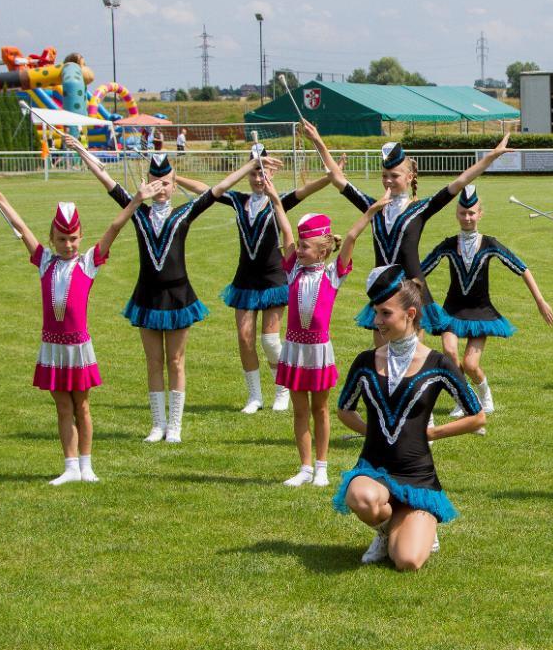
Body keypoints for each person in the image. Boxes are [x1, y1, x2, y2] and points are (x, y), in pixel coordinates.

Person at [67, 134, 258, 443]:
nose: (161, 188)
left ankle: (175, 425)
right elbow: (108, 181)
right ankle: (157, 424)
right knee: (154, 362)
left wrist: (251, 163)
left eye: (166, 183)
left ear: (173, 183)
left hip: (178, 296)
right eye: (156, 183)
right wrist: (81, 151)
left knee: (176, 361)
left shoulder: (184, 212)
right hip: (147, 296)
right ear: (147, 182)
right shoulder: (138, 211)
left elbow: (219, 188)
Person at [0, 182, 141, 484]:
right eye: (62, 239)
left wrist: (136, 201)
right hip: (52, 348)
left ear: (81, 237)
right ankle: (70, 467)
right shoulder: (44, 262)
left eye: (73, 239)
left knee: (83, 406)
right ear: (52, 239)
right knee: (63, 407)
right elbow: (21, 227)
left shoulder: (88, 263)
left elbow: (115, 227)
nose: (68, 245)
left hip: (78, 348)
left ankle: (87, 466)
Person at [299, 121, 514, 344]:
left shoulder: (420, 209)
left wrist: (491, 156)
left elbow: (460, 181)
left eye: (394, 175)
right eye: (384, 175)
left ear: (409, 177)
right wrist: (318, 141)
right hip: (382, 290)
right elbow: (337, 179)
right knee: (381, 355)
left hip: (413, 292)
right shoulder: (374, 208)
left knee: (412, 358)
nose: (388, 180)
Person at [335, 266, 486, 570]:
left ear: (410, 314)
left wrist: (432, 433)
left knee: (407, 561)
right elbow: (344, 409)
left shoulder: (438, 363)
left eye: (385, 314)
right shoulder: (365, 362)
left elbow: (477, 417)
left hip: (417, 477)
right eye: (376, 313)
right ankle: (384, 529)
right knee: (361, 497)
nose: (377, 321)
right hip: (373, 471)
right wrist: (371, 432)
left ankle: (414, 527)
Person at [174, 145, 336, 415]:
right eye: (254, 172)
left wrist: (330, 177)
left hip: (273, 278)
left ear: (272, 173)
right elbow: (205, 189)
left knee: (270, 340)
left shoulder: (279, 200)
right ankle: (254, 396)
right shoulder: (238, 200)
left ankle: (282, 389)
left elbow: (306, 190)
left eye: (264, 172)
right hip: (245, 279)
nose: (259, 178)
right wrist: (175, 177)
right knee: (244, 337)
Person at [266, 175, 389, 487]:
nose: (298, 249)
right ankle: (304, 468)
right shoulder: (293, 270)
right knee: (299, 411)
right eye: (299, 245)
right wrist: (275, 199)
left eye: (304, 246)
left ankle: (321, 467)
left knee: (320, 409)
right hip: (294, 349)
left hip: (319, 351)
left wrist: (371, 211)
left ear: (321, 250)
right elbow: (284, 228)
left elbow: (350, 237)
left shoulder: (333, 275)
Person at [422, 185, 553, 419]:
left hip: (481, 312)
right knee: (449, 352)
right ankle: (463, 398)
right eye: (463, 213)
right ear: (456, 214)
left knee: (470, 365)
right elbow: (420, 270)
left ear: (480, 214)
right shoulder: (449, 244)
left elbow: (522, 268)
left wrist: (540, 300)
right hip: (452, 311)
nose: (467, 217)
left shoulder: (490, 244)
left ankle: (485, 395)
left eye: (471, 213)